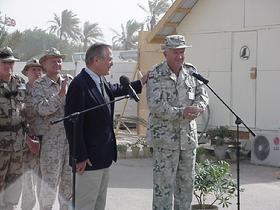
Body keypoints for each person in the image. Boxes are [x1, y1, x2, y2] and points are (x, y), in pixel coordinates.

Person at [64, 43, 148, 210]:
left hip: (103, 156)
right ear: (96, 60)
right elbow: (72, 123)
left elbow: (116, 90)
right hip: (87, 160)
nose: (112, 62)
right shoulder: (79, 85)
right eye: (109, 59)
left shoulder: (100, 80)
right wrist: (79, 156)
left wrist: (141, 82)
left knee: (99, 204)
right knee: (85, 205)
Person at [146, 35, 209, 210]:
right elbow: (155, 106)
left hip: (188, 140)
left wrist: (199, 107)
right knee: (163, 190)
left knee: (186, 188)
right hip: (165, 141)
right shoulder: (156, 74)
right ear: (165, 53)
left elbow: (202, 95)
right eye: (176, 52)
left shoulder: (191, 71)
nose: (180, 56)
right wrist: (182, 112)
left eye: (182, 52)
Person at [32, 48, 72, 210]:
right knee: (49, 184)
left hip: (70, 141)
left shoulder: (69, 80)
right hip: (50, 142)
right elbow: (42, 109)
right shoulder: (39, 85)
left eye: (59, 60)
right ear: (44, 65)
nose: (57, 63)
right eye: (53, 61)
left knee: (68, 184)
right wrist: (61, 94)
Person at [0, 47, 31, 210]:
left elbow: (25, 112)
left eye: (11, 62)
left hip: (18, 146)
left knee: (14, 185)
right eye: (5, 62)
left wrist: (29, 137)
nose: (8, 65)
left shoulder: (20, 83)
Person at [20, 58, 42, 210]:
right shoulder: (20, 92)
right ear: (26, 72)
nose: (37, 72)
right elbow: (16, 120)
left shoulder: (47, 90)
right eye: (33, 69)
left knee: (46, 184)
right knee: (28, 185)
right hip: (28, 145)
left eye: (39, 69)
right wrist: (28, 141)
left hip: (47, 143)